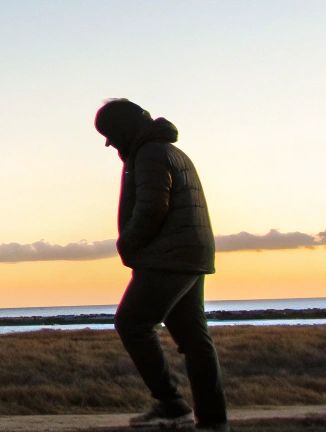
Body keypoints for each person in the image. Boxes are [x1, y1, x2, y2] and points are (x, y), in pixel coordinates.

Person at [94, 99, 228, 432]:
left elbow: (153, 207)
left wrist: (127, 244)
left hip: (169, 256)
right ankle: (212, 420)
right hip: (189, 254)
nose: (109, 143)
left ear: (125, 128)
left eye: (109, 133)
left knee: (132, 323)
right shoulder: (167, 151)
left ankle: (171, 404)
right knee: (194, 339)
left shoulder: (150, 153)